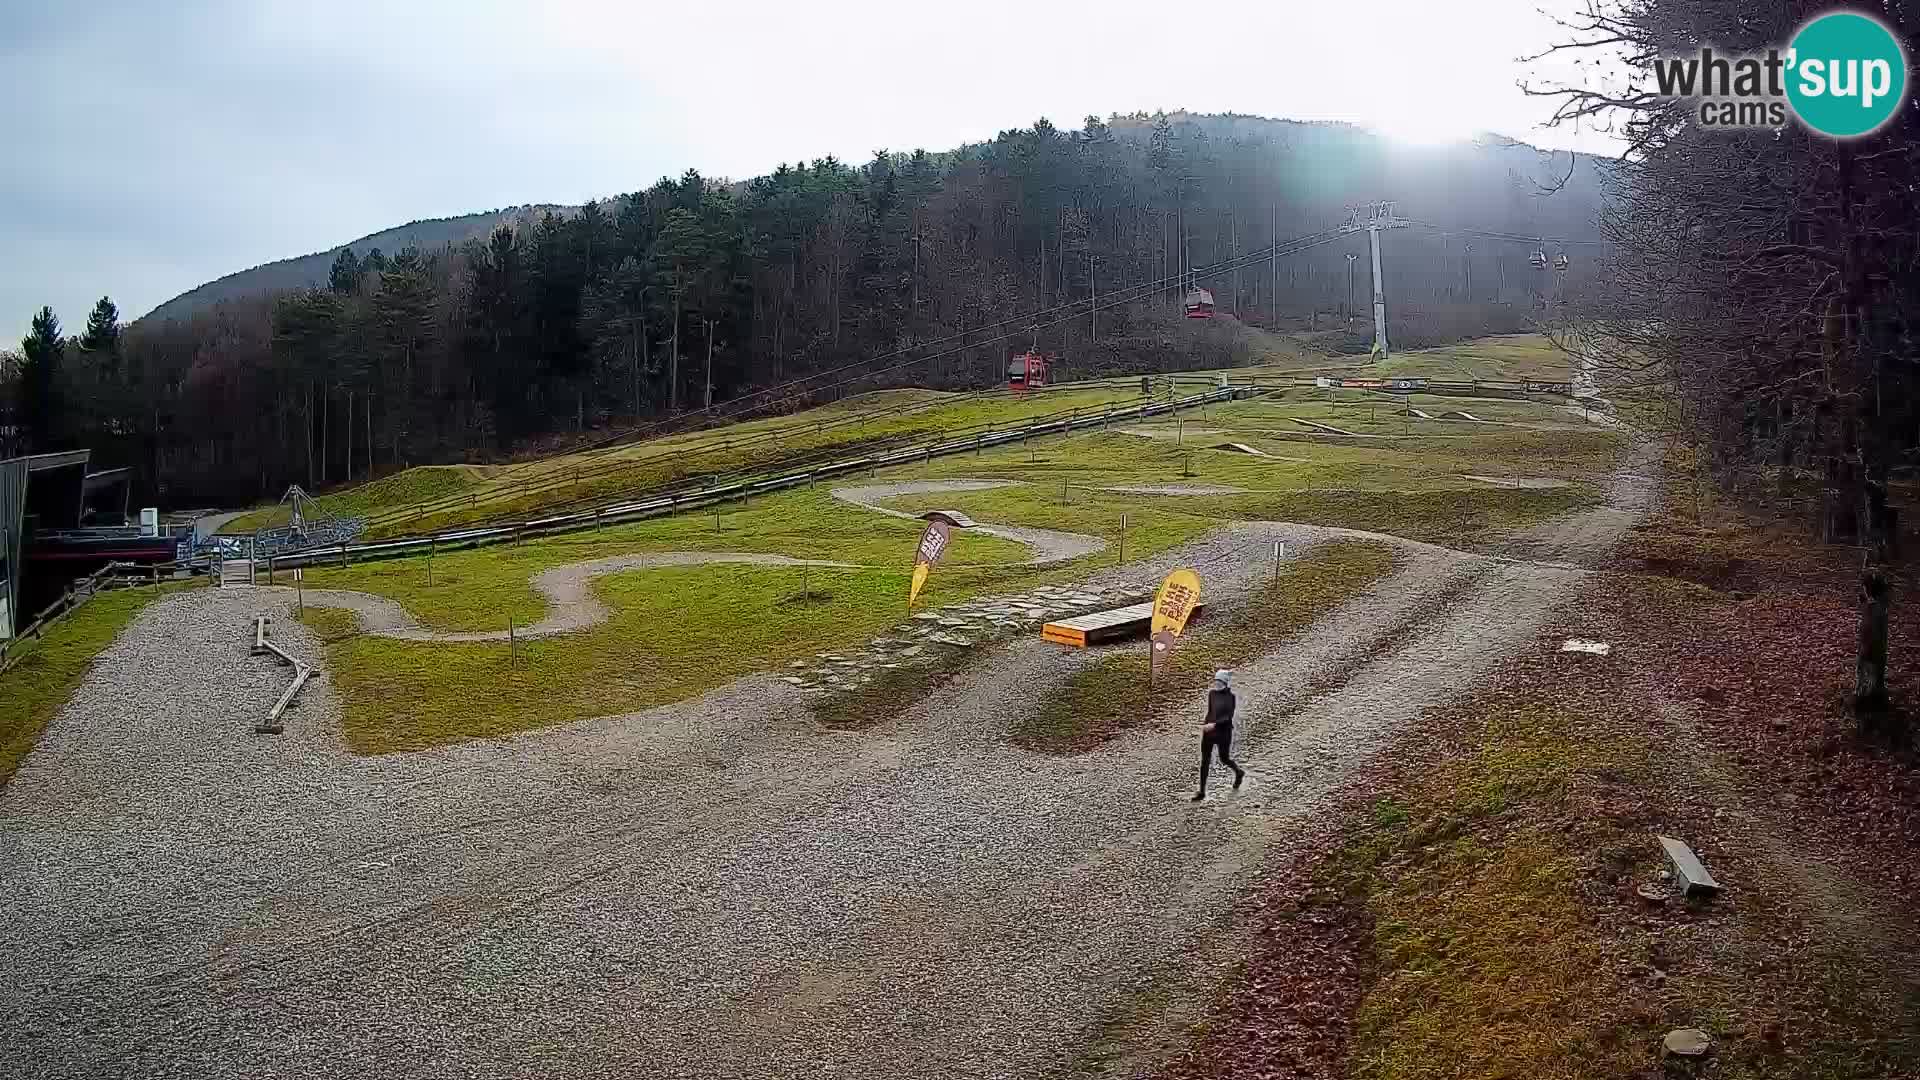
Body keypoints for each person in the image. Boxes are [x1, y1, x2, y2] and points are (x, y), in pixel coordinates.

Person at [1193, 669, 1246, 801]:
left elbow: (1228, 717)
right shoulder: (1212, 694)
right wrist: (1205, 724)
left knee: (1224, 758)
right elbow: (1211, 712)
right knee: (1205, 761)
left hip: (1223, 732)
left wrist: (1214, 724)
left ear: (1225, 682)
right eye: (1216, 681)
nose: (1217, 684)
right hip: (1209, 732)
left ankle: (1238, 772)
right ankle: (1202, 791)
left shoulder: (1230, 698)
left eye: (1220, 681)